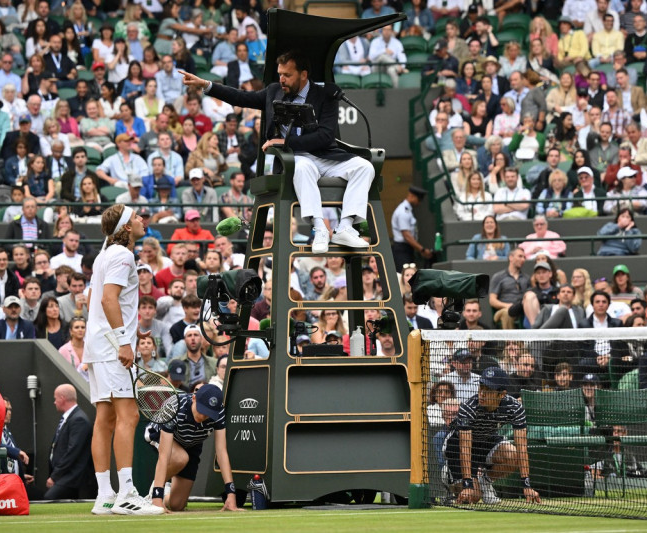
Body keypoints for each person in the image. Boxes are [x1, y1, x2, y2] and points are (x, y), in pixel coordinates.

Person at [182, 50, 373, 254]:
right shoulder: (274, 91)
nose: (282, 79)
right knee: (303, 167)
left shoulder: (326, 95)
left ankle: (345, 227)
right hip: (293, 158)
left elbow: (326, 136)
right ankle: (320, 229)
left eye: (287, 75)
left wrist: (285, 140)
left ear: (303, 75)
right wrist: (207, 85)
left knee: (364, 167)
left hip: (325, 155)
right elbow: (242, 97)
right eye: (280, 73)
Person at [84, 204, 158, 515]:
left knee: (106, 419)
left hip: (98, 346)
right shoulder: (123, 255)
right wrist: (124, 342)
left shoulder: (104, 256)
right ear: (127, 227)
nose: (144, 220)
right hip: (113, 347)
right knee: (129, 417)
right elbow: (106, 298)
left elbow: (92, 299)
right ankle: (127, 493)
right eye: (138, 217)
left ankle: (104, 496)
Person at [443, 366, 540, 505]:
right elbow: (465, 448)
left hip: (486, 440)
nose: (482, 393)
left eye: (488, 390)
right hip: (458, 447)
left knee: (514, 455)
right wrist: (468, 485)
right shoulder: (469, 408)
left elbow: (522, 447)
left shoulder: (514, 408)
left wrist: (527, 486)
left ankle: (485, 481)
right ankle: (448, 476)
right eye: (481, 387)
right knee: (473, 497)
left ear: (501, 394)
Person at [144, 383, 240, 513]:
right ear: (194, 398)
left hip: (192, 443)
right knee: (180, 458)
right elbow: (164, 455)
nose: (203, 417)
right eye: (201, 410)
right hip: (160, 435)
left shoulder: (219, 411)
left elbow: (221, 451)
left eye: (208, 414)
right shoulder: (174, 406)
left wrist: (231, 494)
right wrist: (157, 498)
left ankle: (156, 497)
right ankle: (155, 494)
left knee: (177, 505)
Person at [45, 384, 94, 499]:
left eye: (55, 398)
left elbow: (72, 452)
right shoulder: (72, 418)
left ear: (62, 398)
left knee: (49, 499)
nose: (54, 402)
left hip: (72, 478)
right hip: (64, 476)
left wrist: (55, 476)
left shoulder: (78, 419)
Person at [391, 186, 430, 271]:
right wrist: (422, 250)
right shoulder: (403, 211)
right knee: (405, 276)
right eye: (419, 200)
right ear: (412, 196)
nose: (419, 203)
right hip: (402, 250)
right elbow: (407, 236)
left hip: (407, 249)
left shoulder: (408, 210)